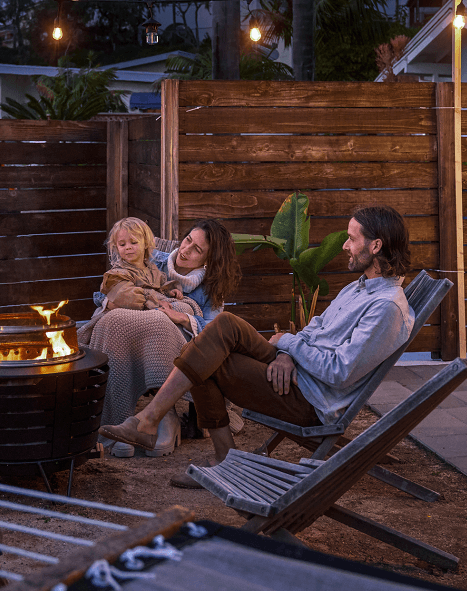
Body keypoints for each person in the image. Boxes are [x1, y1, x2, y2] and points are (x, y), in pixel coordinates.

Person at [98, 205, 415, 488]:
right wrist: (287, 354)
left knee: (208, 355)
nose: (345, 245)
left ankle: (165, 430)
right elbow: (317, 328)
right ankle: (154, 423)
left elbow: (340, 371)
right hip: (295, 369)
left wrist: (287, 344)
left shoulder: (386, 309)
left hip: (307, 396)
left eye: (352, 238)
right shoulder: (360, 288)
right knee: (223, 329)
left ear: (375, 246)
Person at [78, 218, 241, 458]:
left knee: (159, 322)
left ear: (210, 259)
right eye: (187, 241)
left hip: (173, 333)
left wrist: (184, 317)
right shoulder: (152, 259)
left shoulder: (210, 288)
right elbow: (108, 288)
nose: (186, 250)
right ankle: (121, 418)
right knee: (113, 322)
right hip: (132, 322)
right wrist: (112, 300)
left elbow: (215, 329)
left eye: (197, 250)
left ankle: (165, 415)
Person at [96, 217, 183, 312]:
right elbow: (126, 295)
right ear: (116, 247)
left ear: (146, 243)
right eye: (122, 245)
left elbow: (160, 285)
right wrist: (155, 301)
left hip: (146, 308)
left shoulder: (152, 269)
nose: (128, 247)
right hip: (125, 311)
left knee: (182, 307)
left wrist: (169, 291)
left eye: (133, 242)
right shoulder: (117, 274)